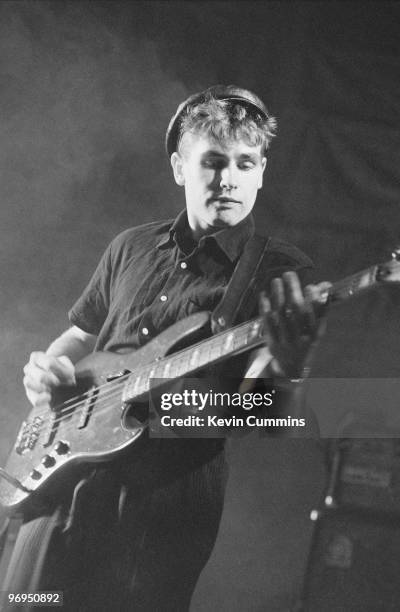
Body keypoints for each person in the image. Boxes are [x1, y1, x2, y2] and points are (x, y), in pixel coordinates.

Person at [20, 85, 329, 611]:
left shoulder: (278, 271)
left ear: (261, 172)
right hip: (58, 480)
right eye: (212, 161)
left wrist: (289, 366)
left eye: (244, 162)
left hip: (160, 506)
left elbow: (268, 411)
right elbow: (80, 333)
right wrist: (48, 370)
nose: (228, 178)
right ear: (179, 168)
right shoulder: (131, 245)